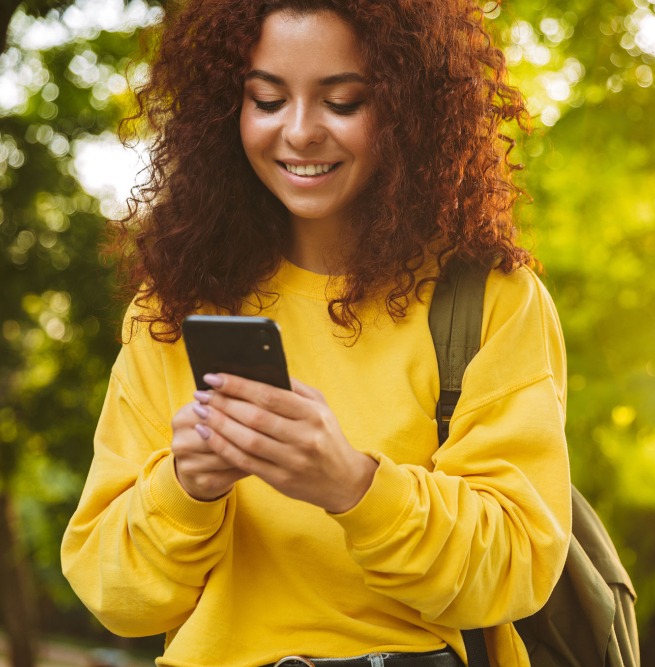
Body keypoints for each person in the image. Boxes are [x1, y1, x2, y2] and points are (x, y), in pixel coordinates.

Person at [60, 1, 572, 666]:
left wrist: (354, 486)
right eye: (268, 99)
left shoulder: (488, 302)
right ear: (226, 110)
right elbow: (115, 594)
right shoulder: (177, 307)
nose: (299, 131)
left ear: (407, 107)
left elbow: (517, 565)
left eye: (343, 101)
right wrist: (184, 487)